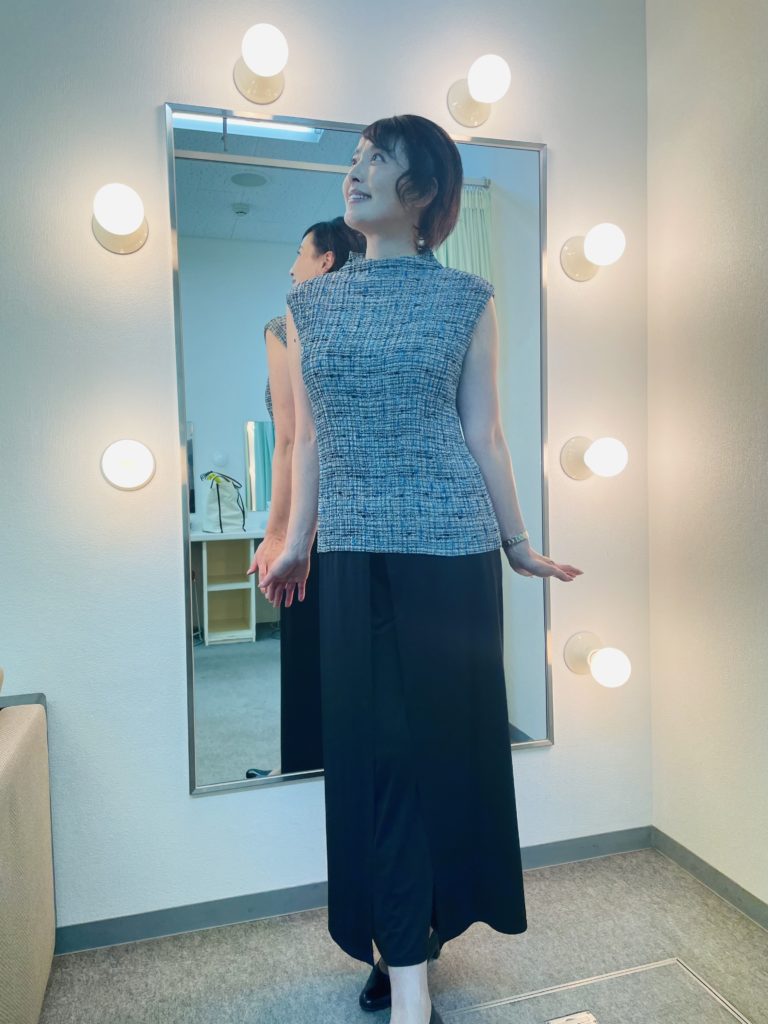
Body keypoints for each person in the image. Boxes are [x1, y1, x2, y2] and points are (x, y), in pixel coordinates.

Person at [258, 114, 583, 1024]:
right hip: (353, 556)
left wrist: (518, 544)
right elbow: (309, 440)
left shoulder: (468, 298)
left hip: (453, 551)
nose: (354, 172)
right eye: (353, 158)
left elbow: (485, 433)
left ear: (425, 190)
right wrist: (295, 541)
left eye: (377, 159)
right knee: (377, 759)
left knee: (442, 756)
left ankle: (410, 956)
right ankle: (402, 957)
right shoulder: (310, 307)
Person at [246, 218, 365, 778]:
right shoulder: (373, 324)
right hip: (366, 514)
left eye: (299, 254)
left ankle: (302, 772)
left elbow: (291, 438)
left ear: (325, 260)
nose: (292, 268)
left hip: (310, 520)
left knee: (308, 648)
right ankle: (346, 772)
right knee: (357, 654)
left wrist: (277, 534)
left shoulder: (285, 325)